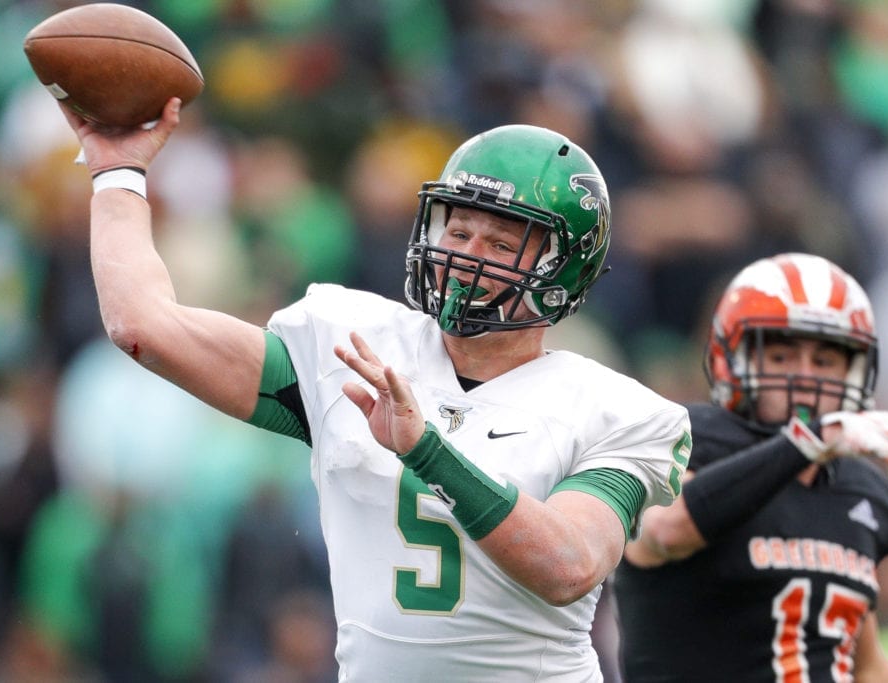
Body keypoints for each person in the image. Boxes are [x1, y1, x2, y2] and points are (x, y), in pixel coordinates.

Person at [59, 97, 692, 682]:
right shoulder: (354, 344)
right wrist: (117, 174)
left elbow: (568, 567)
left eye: (502, 243)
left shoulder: (617, 411)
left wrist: (427, 449)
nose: (468, 256)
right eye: (458, 230)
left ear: (562, 272)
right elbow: (144, 325)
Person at [613, 252, 888, 682]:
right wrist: (807, 444)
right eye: (781, 357)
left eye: (824, 362)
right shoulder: (690, 433)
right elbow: (664, 530)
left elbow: (865, 661)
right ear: (734, 359)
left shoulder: (861, 489)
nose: (805, 378)